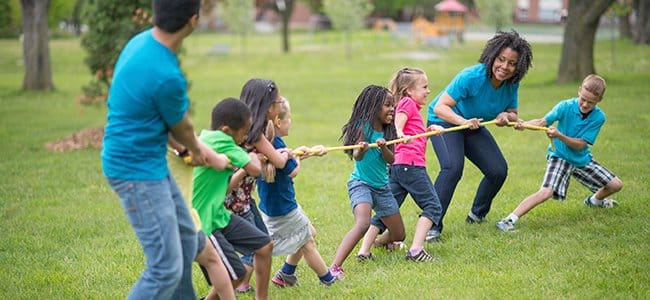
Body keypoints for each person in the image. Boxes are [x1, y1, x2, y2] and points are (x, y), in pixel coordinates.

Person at [101, 0, 231, 298]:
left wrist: (192, 150)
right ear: (193, 20)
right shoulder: (167, 75)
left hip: (145, 163)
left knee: (188, 240)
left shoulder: (139, 43)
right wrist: (209, 156)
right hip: (135, 171)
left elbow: (154, 115)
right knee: (165, 267)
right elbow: (182, 129)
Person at [426, 30, 533, 239]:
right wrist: (463, 122)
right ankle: (432, 225)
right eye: (501, 60)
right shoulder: (471, 76)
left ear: (518, 66)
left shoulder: (512, 83)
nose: (505, 67)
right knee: (452, 168)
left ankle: (476, 215)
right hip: (444, 121)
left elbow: (513, 114)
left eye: (512, 63)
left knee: (497, 170)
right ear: (492, 56)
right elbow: (440, 107)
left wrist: (506, 116)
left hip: (472, 124)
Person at [496, 74, 623, 231]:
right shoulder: (565, 106)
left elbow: (580, 144)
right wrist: (524, 124)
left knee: (616, 185)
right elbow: (543, 122)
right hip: (560, 157)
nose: (584, 104)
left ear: (599, 101)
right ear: (579, 91)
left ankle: (594, 201)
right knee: (546, 192)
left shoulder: (599, 117)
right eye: (583, 99)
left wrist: (559, 135)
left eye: (590, 102)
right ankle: (509, 220)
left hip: (581, 159)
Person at [357, 68, 444, 262]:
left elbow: (414, 134)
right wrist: (399, 133)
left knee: (386, 210)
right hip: (411, 167)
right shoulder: (407, 103)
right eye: (424, 87)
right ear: (408, 91)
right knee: (433, 206)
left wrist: (430, 130)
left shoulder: (412, 108)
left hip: (399, 166)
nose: (428, 91)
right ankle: (416, 250)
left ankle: (364, 251)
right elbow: (399, 124)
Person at [192, 98, 273, 300]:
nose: (246, 136)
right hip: (203, 222)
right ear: (227, 130)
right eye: (244, 131)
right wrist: (254, 158)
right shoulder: (223, 142)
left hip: (218, 214)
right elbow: (255, 169)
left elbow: (232, 181)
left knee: (264, 246)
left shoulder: (207, 137)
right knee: (234, 275)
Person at [256, 99, 336, 287]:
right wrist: (299, 156)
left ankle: (286, 274)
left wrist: (308, 153)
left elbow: (286, 162)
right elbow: (292, 170)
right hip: (283, 207)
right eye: (289, 118)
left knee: (308, 233)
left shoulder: (266, 142)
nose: (291, 121)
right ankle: (328, 279)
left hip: (274, 205)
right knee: (307, 242)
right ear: (278, 122)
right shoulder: (276, 143)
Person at [331, 85, 406, 279]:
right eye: (387, 105)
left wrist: (383, 148)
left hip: (382, 188)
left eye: (393, 105)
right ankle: (334, 267)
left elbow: (392, 160)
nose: (392, 109)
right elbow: (357, 156)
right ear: (374, 107)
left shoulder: (389, 131)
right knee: (363, 223)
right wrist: (363, 148)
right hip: (361, 183)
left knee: (399, 235)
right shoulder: (362, 127)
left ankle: (379, 242)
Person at [237, 78, 292, 291]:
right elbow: (278, 162)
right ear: (268, 106)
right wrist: (287, 152)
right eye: (278, 101)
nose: (280, 106)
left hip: (243, 198)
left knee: (264, 246)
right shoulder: (255, 133)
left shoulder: (243, 128)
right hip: (235, 201)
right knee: (258, 247)